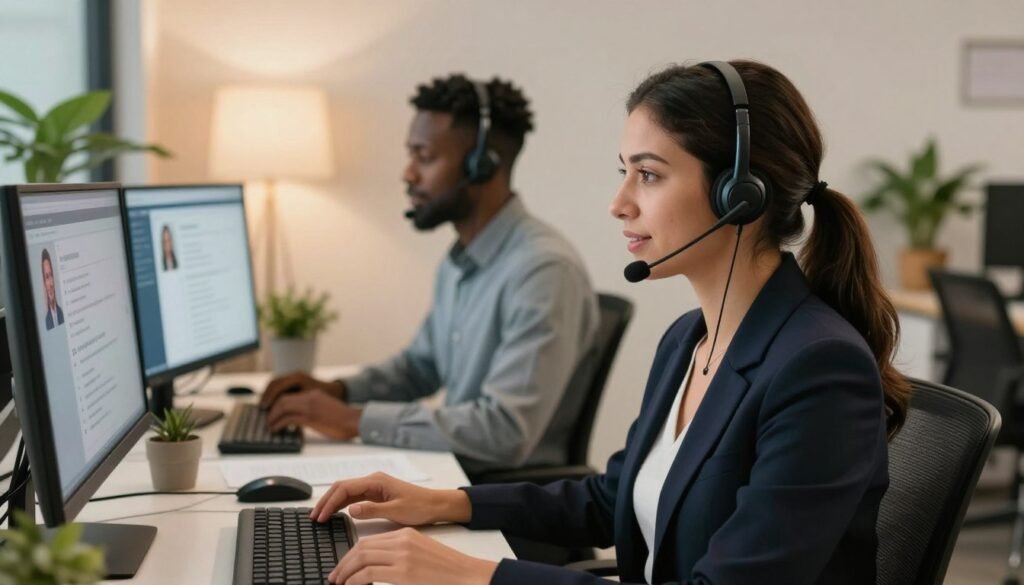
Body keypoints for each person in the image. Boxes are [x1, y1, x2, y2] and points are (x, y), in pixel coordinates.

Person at [307, 60, 913, 585]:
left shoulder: (817, 368)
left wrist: (474, 573)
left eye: (647, 174)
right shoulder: (689, 339)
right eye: (623, 171)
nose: (619, 202)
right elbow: (610, 497)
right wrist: (448, 502)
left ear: (739, 195)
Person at [260, 74, 599, 473]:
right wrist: (338, 391)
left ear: (480, 166)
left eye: (424, 157)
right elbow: (422, 367)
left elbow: (505, 432)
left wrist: (353, 421)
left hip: (504, 500)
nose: (408, 174)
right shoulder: (460, 261)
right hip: (452, 475)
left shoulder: (542, 271)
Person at [41, 248, 64, 330]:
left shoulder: (62, 313)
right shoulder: (46, 320)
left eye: (51, 275)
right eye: (47, 277)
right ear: (44, 284)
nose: (50, 284)